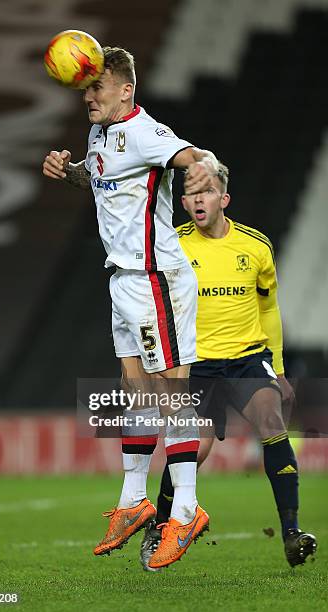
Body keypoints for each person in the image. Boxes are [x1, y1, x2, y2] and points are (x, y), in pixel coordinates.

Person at [42, 46, 219, 569]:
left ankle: (184, 509)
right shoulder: (98, 134)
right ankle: (132, 499)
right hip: (123, 277)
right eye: (85, 87)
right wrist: (69, 171)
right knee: (134, 385)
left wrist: (197, 174)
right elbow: (103, 182)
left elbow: (195, 157)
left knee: (170, 390)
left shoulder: (146, 132)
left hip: (155, 277)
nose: (88, 95)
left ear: (126, 90)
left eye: (98, 87)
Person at [140, 162, 317, 571]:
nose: (198, 198)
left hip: (247, 359)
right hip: (197, 364)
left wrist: (280, 366)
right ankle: (160, 528)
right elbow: (154, 306)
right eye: (191, 193)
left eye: (206, 190)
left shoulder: (255, 247)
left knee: (272, 423)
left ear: (224, 198)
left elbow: (268, 307)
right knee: (196, 448)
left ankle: (291, 533)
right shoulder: (173, 246)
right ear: (182, 202)